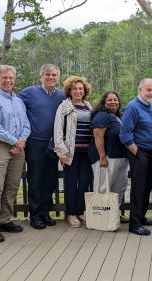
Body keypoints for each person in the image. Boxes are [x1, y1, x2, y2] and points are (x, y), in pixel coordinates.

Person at [0, 64, 65, 230]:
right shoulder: (28, 93)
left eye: (54, 75)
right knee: (34, 179)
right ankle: (33, 216)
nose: (51, 77)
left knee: (48, 180)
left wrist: (20, 141)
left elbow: (22, 118)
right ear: (41, 76)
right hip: (31, 143)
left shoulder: (61, 95)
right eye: (47, 74)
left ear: (58, 77)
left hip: (51, 143)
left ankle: (43, 213)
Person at [0, 65, 30, 243]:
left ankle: (5, 220)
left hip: (17, 147)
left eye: (11, 78)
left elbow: (26, 124)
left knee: (12, 186)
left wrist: (21, 141)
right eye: (4, 78)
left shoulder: (18, 101)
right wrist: (14, 141)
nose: (8, 81)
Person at [120, 78, 152, 236]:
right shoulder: (133, 107)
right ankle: (134, 224)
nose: (151, 93)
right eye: (148, 90)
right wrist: (138, 154)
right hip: (139, 152)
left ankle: (141, 217)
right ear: (140, 90)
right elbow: (125, 134)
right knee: (138, 188)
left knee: (147, 187)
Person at [54, 76, 93, 227]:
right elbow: (58, 130)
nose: (78, 91)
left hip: (87, 152)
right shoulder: (64, 106)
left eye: (80, 89)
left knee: (84, 181)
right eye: (75, 88)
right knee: (71, 183)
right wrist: (61, 152)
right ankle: (71, 213)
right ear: (69, 90)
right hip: (70, 151)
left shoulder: (88, 106)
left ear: (85, 91)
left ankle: (80, 211)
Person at [89, 91, 128, 216]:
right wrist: (102, 156)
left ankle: (113, 217)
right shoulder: (102, 115)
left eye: (115, 100)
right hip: (107, 158)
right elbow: (98, 136)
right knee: (103, 189)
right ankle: (101, 219)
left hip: (121, 158)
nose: (113, 102)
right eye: (109, 100)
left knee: (119, 189)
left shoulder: (119, 116)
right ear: (104, 102)